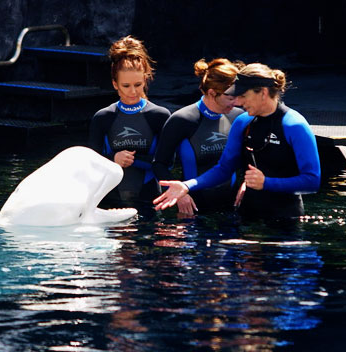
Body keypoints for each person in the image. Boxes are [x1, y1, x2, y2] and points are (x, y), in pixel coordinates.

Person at [153, 63, 321, 221]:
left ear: (262, 93)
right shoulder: (242, 122)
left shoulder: (294, 125)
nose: (238, 103)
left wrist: (266, 183)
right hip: (247, 216)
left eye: (242, 96)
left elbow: (312, 182)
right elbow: (224, 169)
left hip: (285, 219)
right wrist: (187, 186)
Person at [152, 58, 244, 215]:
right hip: (193, 208)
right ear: (212, 93)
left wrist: (246, 183)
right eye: (230, 98)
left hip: (232, 208)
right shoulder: (182, 119)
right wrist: (180, 194)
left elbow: (249, 158)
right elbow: (159, 164)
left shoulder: (239, 117)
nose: (237, 102)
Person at [87, 36, 171, 208]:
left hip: (149, 200)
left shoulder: (159, 115)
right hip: (110, 201)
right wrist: (113, 159)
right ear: (115, 84)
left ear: (146, 79)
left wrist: (134, 160)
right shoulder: (103, 117)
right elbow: (90, 164)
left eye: (138, 84)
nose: (133, 92)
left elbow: (167, 162)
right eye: (126, 86)